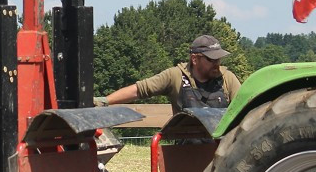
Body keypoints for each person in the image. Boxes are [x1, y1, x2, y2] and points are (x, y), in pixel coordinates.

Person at [97, 34, 242, 115]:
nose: (217, 63)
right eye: (212, 59)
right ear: (195, 59)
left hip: (220, 148)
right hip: (185, 150)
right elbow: (139, 89)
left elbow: (245, 108)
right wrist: (104, 101)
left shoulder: (227, 78)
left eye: (219, 59)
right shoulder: (175, 76)